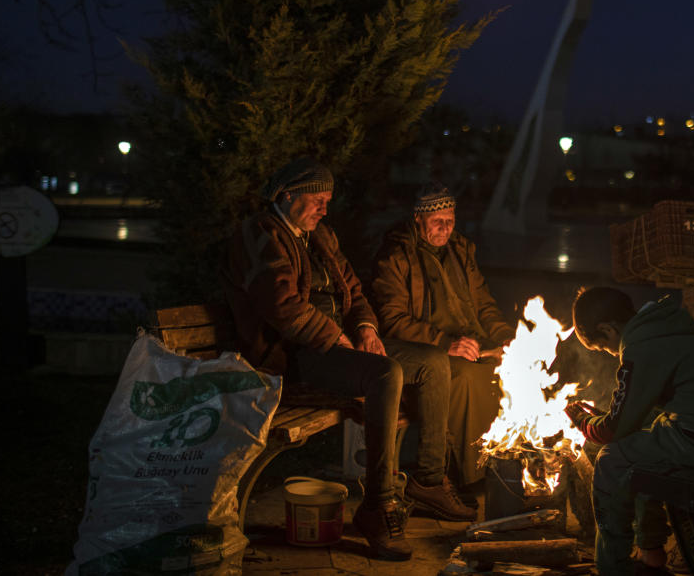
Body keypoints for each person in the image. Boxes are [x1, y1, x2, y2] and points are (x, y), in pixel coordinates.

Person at [221, 159, 475, 561]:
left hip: (340, 344)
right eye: (317, 200)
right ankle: (379, 504)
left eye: (327, 201)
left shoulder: (319, 236)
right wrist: (335, 336)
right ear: (287, 197)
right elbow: (282, 306)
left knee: (432, 362)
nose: (324, 209)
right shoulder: (262, 234)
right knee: (385, 373)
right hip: (298, 355)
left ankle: (428, 479)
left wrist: (366, 330)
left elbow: (354, 292)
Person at [565, 287, 694, 576]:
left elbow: (612, 431)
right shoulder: (668, 323)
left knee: (611, 459)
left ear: (607, 328)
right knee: (643, 442)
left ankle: (612, 566)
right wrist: (608, 418)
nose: (609, 354)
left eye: (604, 348)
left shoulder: (641, 345)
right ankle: (651, 552)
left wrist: (581, 420)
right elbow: (630, 417)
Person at [369, 183, 515, 489]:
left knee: (503, 372)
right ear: (418, 219)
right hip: (426, 349)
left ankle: (501, 464)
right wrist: (445, 343)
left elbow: (484, 302)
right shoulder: (397, 256)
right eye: (438, 221)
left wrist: (504, 336)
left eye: (450, 220)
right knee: (464, 378)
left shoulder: (460, 251)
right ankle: (467, 476)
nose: (446, 228)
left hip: (470, 342)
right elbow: (392, 319)